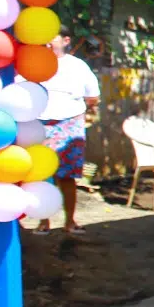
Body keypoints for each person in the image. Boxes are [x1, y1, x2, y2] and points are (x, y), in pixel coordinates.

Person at [33, 25, 100, 235]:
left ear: (66, 40)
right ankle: (44, 221)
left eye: (52, 37)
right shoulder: (33, 63)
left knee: (67, 175)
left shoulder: (78, 66)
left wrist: (77, 111)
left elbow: (93, 96)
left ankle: (70, 221)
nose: (47, 42)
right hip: (39, 124)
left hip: (70, 124)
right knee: (42, 174)